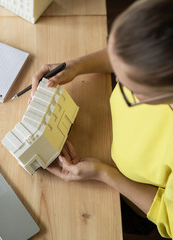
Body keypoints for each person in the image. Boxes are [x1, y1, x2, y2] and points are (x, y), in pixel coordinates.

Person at [30, 0, 173, 238]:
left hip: (128, 200)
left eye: (128, 88)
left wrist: (103, 173)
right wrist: (79, 65)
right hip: (105, 133)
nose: (119, 83)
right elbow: (132, 58)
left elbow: (168, 217)